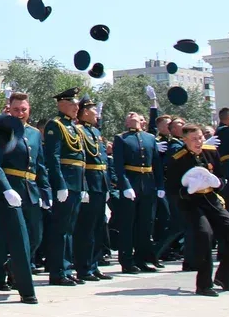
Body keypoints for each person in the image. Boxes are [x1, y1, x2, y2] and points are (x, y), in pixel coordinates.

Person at [0, 90, 43, 304]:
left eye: (23, 109)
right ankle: (27, 290)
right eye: (16, 109)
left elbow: (39, 164)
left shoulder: (34, 133)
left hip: (30, 189)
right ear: (9, 109)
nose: (20, 113)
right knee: (19, 239)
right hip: (8, 190)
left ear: (29, 110)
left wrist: (46, 191)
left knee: (36, 236)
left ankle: (12, 266)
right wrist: (6, 188)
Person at [164, 124, 229, 296]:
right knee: (204, 235)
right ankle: (204, 284)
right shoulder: (178, 159)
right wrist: (188, 189)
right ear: (185, 141)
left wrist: (218, 183)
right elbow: (173, 189)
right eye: (194, 140)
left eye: (200, 138)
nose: (199, 142)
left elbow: (222, 177)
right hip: (192, 203)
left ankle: (225, 277)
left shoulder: (211, 152)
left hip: (212, 199)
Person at [43, 88, 85, 286]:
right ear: (62, 104)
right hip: (65, 184)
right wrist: (60, 184)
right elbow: (53, 157)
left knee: (69, 228)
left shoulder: (74, 127)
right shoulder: (55, 125)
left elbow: (81, 159)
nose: (77, 107)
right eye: (73, 103)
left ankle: (66, 268)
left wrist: (82, 185)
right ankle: (57, 271)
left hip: (75, 183)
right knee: (60, 229)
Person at [112, 110, 161, 274]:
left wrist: (159, 185)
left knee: (145, 224)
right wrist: (125, 186)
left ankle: (142, 259)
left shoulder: (150, 138)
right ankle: (126, 261)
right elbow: (118, 166)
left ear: (141, 120)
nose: (132, 115)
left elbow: (156, 164)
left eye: (135, 114)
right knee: (128, 224)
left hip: (147, 183)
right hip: (131, 183)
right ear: (126, 122)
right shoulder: (121, 138)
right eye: (129, 115)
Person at [72, 97, 111, 282]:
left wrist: (108, 185)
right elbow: (82, 160)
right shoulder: (78, 131)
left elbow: (101, 158)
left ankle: (94, 265)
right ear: (85, 111)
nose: (96, 113)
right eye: (93, 110)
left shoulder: (94, 131)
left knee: (98, 227)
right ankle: (84, 267)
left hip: (100, 183)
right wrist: (84, 186)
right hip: (89, 181)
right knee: (85, 229)